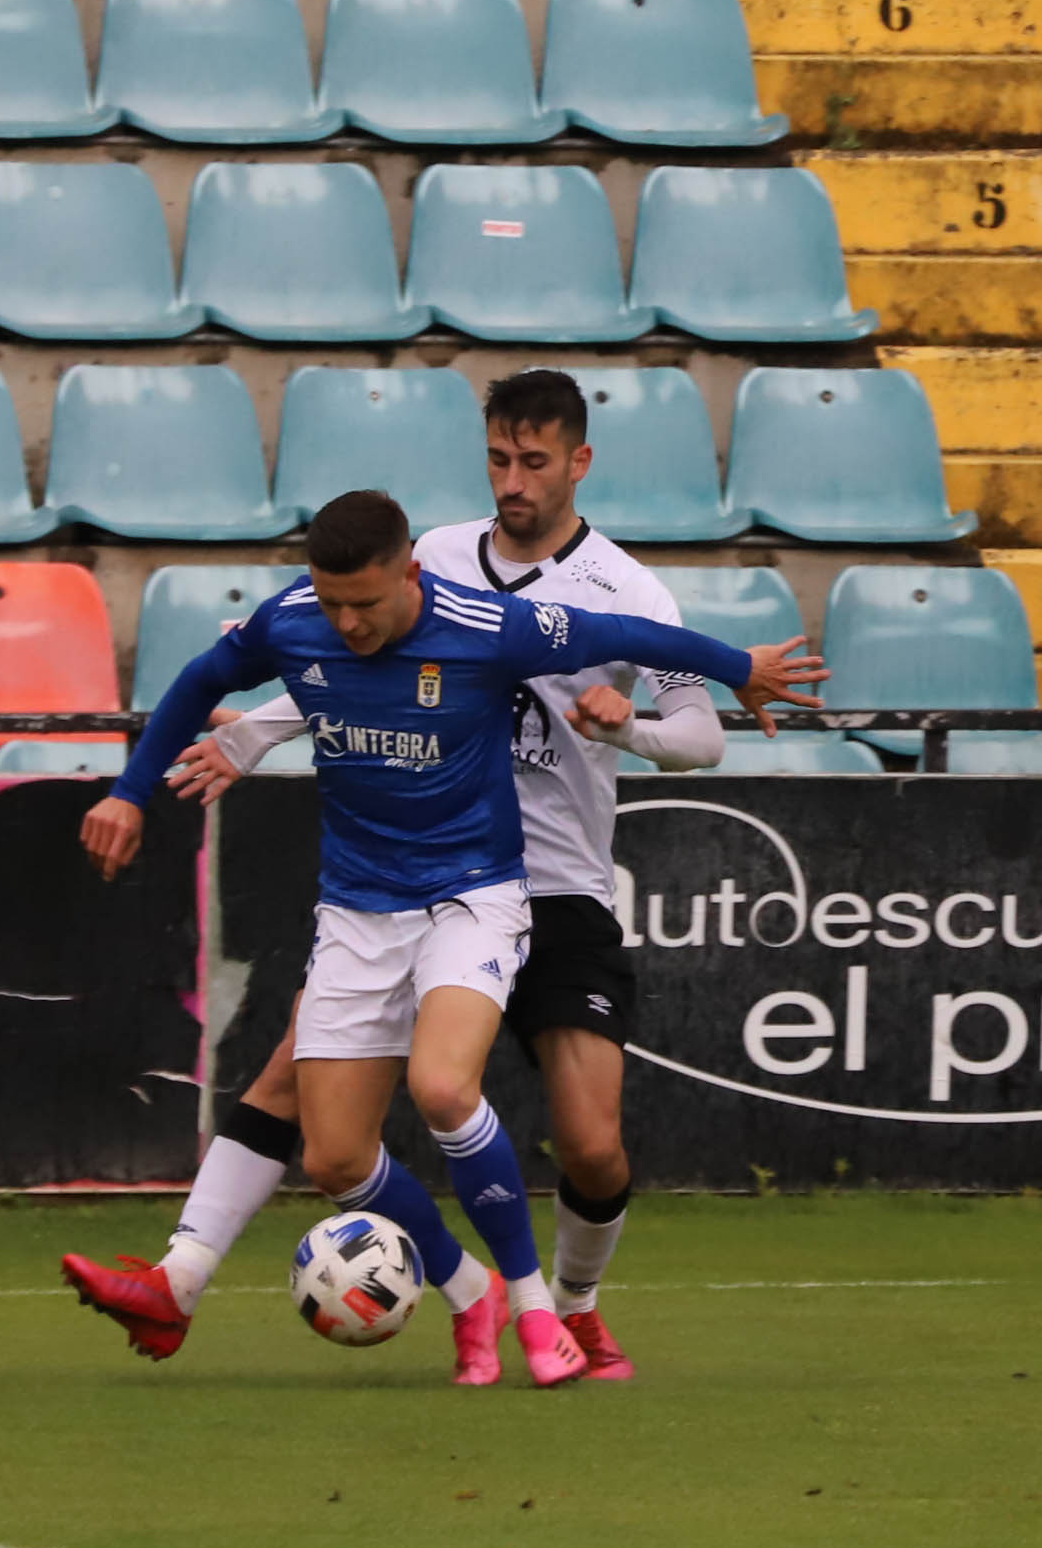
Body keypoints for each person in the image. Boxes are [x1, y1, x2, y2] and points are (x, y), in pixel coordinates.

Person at [70, 488, 826, 1387]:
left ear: (411, 575)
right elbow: (205, 681)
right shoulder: (298, 619)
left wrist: (738, 662)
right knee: (332, 1150)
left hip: (489, 894)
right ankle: (463, 1291)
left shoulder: (495, 623)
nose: (347, 623)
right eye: (332, 601)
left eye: (366, 603)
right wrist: (131, 789)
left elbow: (630, 641)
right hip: (358, 908)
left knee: (480, 1099)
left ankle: (548, 1306)